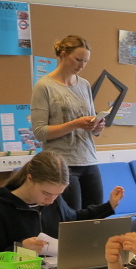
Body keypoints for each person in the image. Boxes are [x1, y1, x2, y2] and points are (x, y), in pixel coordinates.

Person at [0, 151, 123, 255]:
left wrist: (109, 206)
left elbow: (74, 219)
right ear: (30, 179)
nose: (51, 200)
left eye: (58, 194)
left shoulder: (54, 202)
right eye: (46, 193)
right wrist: (20, 248)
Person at [31, 35, 104, 211]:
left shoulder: (84, 85)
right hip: (61, 164)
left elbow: (90, 128)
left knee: (97, 217)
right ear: (63, 55)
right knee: (71, 219)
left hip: (88, 159)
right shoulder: (44, 86)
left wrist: (97, 126)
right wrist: (76, 123)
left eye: (85, 61)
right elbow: (40, 132)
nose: (82, 65)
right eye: (78, 60)